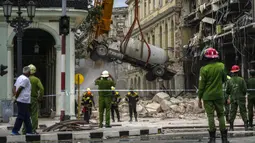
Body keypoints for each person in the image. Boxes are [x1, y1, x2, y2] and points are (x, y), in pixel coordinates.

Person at [198, 47, 229, 143]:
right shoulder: (221, 66)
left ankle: (212, 139)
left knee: (210, 116)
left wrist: (199, 98)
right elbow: (225, 79)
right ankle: (224, 139)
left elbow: (201, 85)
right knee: (221, 115)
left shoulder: (204, 69)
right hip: (219, 95)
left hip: (207, 96)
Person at [22, 64, 44, 134]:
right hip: (33, 99)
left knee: (25, 115)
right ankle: (33, 130)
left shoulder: (24, 79)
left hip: (25, 99)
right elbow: (42, 89)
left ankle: (24, 130)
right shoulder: (36, 80)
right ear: (34, 71)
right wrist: (40, 97)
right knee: (34, 115)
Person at [12, 66, 33, 135]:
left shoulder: (19, 77)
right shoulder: (26, 79)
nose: (30, 73)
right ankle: (15, 130)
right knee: (21, 116)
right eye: (30, 72)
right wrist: (16, 96)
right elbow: (20, 88)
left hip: (22, 100)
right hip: (23, 100)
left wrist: (15, 95)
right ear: (28, 72)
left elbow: (14, 87)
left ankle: (29, 131)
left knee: (27, 116)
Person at [226, 65, 248, 131]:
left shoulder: (229, 81)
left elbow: (227, 91)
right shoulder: (241, 80)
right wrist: (242, 94)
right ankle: (246, 126)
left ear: (232, 72)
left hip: (233, 98)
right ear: (238, 71)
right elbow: (245, 90)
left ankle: (231, 127)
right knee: (243, 111)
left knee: (232, 112)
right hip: (241, 98)